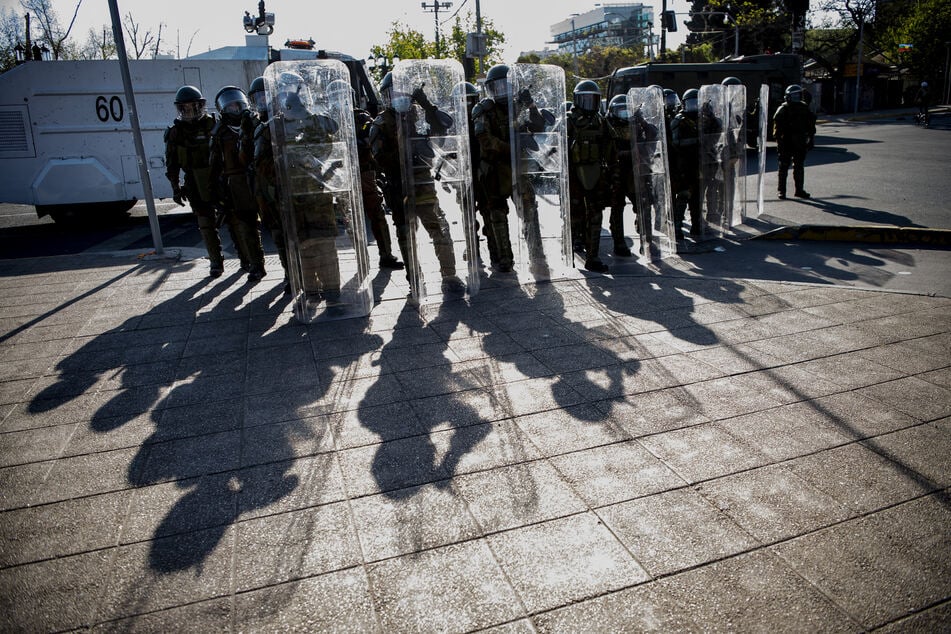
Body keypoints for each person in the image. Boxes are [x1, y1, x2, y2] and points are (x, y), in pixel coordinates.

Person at [370, 72, 463, 292]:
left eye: (402, 91)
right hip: (398, 185)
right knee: (405, 234)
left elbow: (442, 129)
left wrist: (426, 104)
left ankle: (450, 276)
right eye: (392, 93)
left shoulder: (420, 115)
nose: (397, 97)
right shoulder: (381, 123)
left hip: (423, 182)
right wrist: (405, 152)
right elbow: (379, 158)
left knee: (439, 228)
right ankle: (415, 280)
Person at [272, 71, 345, 304]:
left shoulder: (316, 121)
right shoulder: (275, 127)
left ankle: (333, 294)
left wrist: (309, 158)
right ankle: (311, 291)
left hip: (316, 192)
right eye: (285, 89)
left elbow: (329, 147)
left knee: (325, 245)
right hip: (292, 196)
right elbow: (263, 162)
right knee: (303, 246)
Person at [472, 63, 547, 273]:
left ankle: (537, 255)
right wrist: (513, 147)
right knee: (497, 214)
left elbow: (539, 126)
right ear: (490, 89)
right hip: (494, 169)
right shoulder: (483, 109)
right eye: (497, 87)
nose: (502, 91)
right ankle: (505, 258)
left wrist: (531, 105)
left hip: (518, 168)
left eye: (506, 86)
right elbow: (485, 140)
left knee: (529, 209)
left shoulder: (520, 106)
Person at [164, 85, 229, 278]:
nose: (190, 112)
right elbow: (172, 164)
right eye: (185, 108)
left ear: (201, 106)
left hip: (218, 179)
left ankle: (247, 260)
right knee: (205, 224)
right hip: (193, 181)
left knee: (235, 220)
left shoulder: (214, 125)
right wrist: (175, 188)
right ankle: (216, 261)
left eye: (193, 107)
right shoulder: (175, 132)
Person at [208, 85, 266, 281]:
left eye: (237, 105)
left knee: (276, 225)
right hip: (237, 182)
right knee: (246, 226)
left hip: (260, 178)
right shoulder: (220, 132)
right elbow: (214, 162)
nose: (235, 109)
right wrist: (215, 189)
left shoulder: (255, 122)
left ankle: (288, 272)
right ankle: (256, 265)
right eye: (230, 106)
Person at [244, 76, 290, 290]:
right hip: (263, 186)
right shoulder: (252, 124)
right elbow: (246, 157)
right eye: (258, 98)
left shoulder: (283, 120)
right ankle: (289, 273)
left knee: (291, 230)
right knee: (277, 232)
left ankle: (298, 273)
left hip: (283, 183)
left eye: (266, 96)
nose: (263, 102)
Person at [567, 80, 617, 273]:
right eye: (584, 99)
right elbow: (557, 149)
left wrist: (613, 175)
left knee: (596, 215)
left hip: (596, 174)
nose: (588, 103)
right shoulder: (569, 120)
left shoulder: (601, 121)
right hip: (574, 177)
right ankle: (570, 251)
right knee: (575, 216)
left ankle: (593, 257)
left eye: (592, 99)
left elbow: (611, 150)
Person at [353, 101, 403, 270]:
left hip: (364, 172)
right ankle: (364, 258)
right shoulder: (330, 120)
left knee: (376, 213)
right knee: (352, 219)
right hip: (347, 175)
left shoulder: (360, 117)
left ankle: (385, 255)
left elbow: (371, 141)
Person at [669, 88, 702, 240]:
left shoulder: (702, 119)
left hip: (698, 163)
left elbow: (716, 131)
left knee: (696, 197)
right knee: (682, 196)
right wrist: (696, 141)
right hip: (683, 164)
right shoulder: (679, 120)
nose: (694, 106)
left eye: (697, 102)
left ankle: (696, 226)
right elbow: (676, 142)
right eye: (691, 103)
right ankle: (677, 228)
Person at [772, 83, 815, 200]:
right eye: (794, 95)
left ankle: (799, 190)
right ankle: (781, 191)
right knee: (783, 167)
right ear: (788, 96)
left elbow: (810, 125)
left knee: (799, 167)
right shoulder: (783, 109)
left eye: (798, 95)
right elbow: (777, 129)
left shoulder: (804, 108)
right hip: (786, 142)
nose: (797, 97)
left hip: (800, 142)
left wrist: (811, 139)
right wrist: (779, 143)